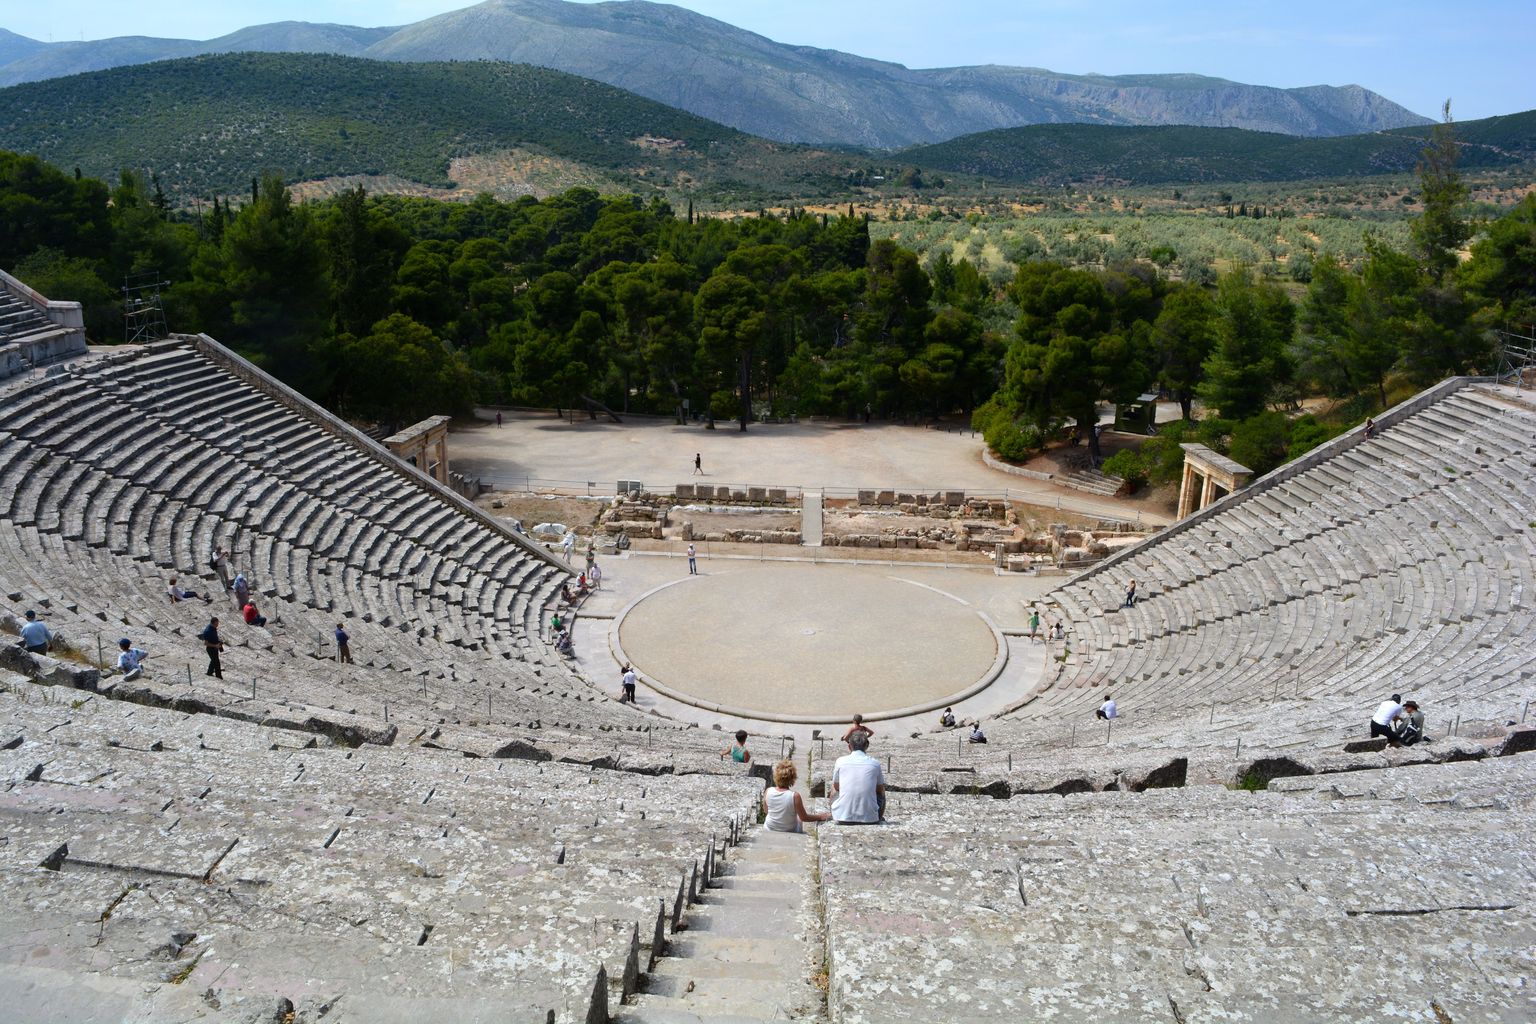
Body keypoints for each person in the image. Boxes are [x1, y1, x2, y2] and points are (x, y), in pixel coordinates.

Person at [830, 731, 886, 824]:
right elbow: (880, 791)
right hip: (870, 818)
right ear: (867, 746)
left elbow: (836, 787)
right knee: (881, 788)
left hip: (842, 816)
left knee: (833, 786)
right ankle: (878, 816)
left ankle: (836, 812)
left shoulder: (840, 761)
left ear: (849, 746)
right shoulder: (875, 763)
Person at [764, 760, 830, 833]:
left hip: (769, 827)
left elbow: (766, 811)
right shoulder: (794, 796)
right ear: (793, 778)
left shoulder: (768, 791)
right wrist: (820, 816)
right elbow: (804, 817)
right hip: (789, 830)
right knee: (799, 818)